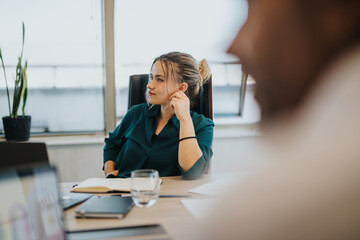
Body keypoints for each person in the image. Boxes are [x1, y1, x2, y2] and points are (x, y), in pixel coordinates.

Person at [194, 0, 360, 239]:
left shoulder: (256, 218)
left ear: (333, 14)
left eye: (254, 9)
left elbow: (193, 170)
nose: (232, 47)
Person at [103, 52, 214, 179]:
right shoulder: (136, 113)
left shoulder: (202, 126)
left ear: (182, 87)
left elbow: (192, 172)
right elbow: (112, 144)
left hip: (168, 196)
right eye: (152, 77)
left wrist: (184, 120)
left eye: (160, 79)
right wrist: (110, 174)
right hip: (124, 193)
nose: (149, 85)